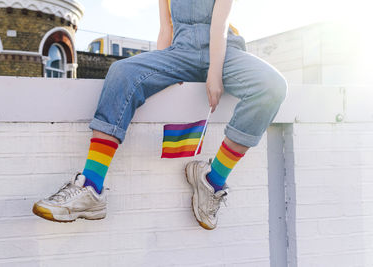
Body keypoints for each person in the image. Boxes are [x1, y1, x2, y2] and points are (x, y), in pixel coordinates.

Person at [32, 0, 288, 230]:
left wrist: (214, 73)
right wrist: (163, 71)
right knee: (122, 72)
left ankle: (213, 179)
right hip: (180, 54)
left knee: (271, 86)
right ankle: (91, 187)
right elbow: (166, 28)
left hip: (225, 53)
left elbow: (219, 27)